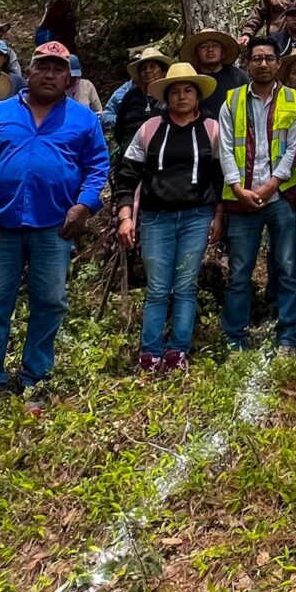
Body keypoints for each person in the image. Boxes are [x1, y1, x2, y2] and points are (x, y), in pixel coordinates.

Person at [0, 41, 109, 411]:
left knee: (50, 302)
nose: (50, 75)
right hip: (0, 224)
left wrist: (85, 205)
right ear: (30, 71)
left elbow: (97, 167)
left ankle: (34, 378)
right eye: (43, 67)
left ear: (69, 77)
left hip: (55, 226)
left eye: (59, 69)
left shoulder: (83, 119)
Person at [113, 62, 223, 374]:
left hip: (197, 214)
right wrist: (125, 215)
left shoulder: (211, 129)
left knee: (185, 284)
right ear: (167, 96)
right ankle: (150, 353)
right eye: (176, 91)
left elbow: (220, 178)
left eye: (189, 90)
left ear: (198, 95)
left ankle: (178, 350)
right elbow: (128, 173)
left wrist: (219, 215)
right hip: (155, 216)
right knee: (158, 286)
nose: (182, 97)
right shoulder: (150, 128)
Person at [217, 36, 296, 356]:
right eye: (257, 58)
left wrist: (272, 185)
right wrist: (237, 187)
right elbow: (225, 147)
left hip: (281, 197)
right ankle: (235, 337)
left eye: (269, 58)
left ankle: (287, 336)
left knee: (286, 267)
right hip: (241, 199)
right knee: (240, 272)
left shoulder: (292, 100)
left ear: (278, 63)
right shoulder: (232, 101)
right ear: (248, 64)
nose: (264, 64)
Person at [181, 28, 247, 121]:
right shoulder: (192, 80)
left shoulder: (238, 76)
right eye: (203, 47)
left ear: (223, 53)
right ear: (196, 54)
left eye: (215, 46)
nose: (210, 50)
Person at [113, 45, 172, 145]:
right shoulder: (131, 96)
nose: (148, 71)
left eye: (152, 66)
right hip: (130, 154)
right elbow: (119, 130)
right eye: (143, 68)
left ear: (163, 72)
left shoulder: (168, 96)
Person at [67, 55, 106, 119]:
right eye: (70, 77)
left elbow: (99, 111)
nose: (72, 79)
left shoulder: (86, 85)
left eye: (75, 77)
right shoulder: (57, 89)